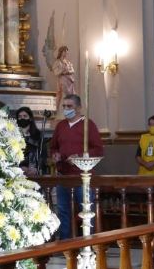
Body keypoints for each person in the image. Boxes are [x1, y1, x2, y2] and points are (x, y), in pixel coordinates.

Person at [49, 94, 103, 239]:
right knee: (63, 211)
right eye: (64, 106)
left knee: (86, 211)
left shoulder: (88, 125)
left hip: (82, 177)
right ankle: (66, 243)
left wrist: (79, 156)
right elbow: (53, 147)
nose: (66, 109)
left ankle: (88, 242)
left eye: (69, 106)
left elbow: (98, 149)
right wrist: (55, 155)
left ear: (78, 108)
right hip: (63, 176)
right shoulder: (61, 126)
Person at [16, 107, 46, 176]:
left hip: (35, 170)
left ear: (30, 118)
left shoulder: (38, 135)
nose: (22, 118)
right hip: (18, 170)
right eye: (20, 116)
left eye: (25, 116)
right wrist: (20, 167)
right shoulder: (13, 134)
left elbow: (43, 155)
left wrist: (36, 168)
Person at [52, 46, 76, 111]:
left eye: (67, 52)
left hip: (69, 81)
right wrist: (63, 71)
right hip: (62, 81)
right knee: (63, 95)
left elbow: (72, 70)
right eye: (64, 51)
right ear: (61, 52)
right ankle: (62, 111)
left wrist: (67, 71)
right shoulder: (57, 62)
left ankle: (70, 109)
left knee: (71, 97)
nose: (66, 53)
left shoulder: (67, 62)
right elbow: (56, 73)